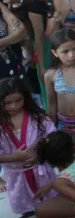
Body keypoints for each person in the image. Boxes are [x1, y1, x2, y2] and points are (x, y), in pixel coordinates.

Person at [0, 77, 58, 216]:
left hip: (41, 169)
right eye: (7, 102)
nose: (13, 106)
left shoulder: (38, 118)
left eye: (18, 100)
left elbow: (52, 137)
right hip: (16, 176)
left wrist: (40, 154)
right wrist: (16, 157)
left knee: (51, 203)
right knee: (27, 208)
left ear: (25, 98)